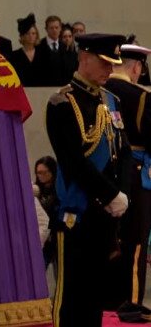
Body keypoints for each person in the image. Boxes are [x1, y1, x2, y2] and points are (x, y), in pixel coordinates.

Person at [46, 33, 130, 326]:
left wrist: (122, 197)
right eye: (105, 63)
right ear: (84, 58)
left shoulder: (111, 101)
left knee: (96, 299)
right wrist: (110, 195)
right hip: (76, 216)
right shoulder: (61, 104)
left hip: (104, 218)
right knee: (72, 300)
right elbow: (73, 164)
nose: (110, 70)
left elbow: (123, 155)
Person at [103, 43, 151, 316]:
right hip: (135, 176)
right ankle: (130, 301)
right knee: (135, 241)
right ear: (137, 67)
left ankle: (106, 299)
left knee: (109, 238)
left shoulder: (97, 92)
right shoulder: (140, 96)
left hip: (102, 176)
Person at [7, 13, 52, 86]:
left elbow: (48, 75)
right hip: (22, 91)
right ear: (22, 36)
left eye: (33, 33)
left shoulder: (44, 54)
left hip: (41, 91)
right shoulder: (14, 56)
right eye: (28, 33)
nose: (31, 36)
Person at [33, 156, 58, 268]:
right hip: (43, 238)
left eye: (44, 172)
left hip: (57, 235)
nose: (41, 176)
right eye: (38, 173)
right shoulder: (35, 190)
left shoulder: (59, 190)